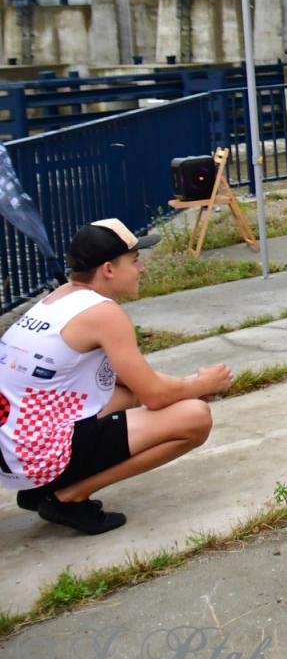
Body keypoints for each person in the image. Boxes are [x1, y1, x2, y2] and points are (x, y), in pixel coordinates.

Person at [0, 219, 232, 534]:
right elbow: (156, 396)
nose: (142, 270)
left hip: (14, 452)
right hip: (35, 457)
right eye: (134, 261)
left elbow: (135, 384)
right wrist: (200, 385)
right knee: (194, 417)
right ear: (108, 269)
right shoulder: (103, 313)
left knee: (129, 395)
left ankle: (41, 490)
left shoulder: (59, 300)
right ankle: (68, 496)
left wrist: (184, 387)